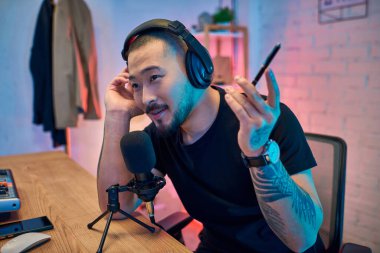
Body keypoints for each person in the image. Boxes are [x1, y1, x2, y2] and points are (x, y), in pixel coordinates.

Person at [97, 19, 324, 253]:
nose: (145, 99)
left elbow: (303, 239)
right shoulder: (161, 136)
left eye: (154, 77)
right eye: (136, 85)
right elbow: (116, 208)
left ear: (197, 70)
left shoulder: (266, 122)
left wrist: (259, 153)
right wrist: (117, 114)